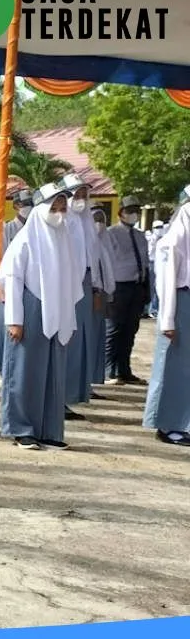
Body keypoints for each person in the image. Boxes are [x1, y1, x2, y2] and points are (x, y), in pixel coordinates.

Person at [0, 184, 81, 450]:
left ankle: (49, 430)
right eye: (53, 208)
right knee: (25, 371)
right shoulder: (25, 239)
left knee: (52, 373)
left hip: (57, 311)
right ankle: (22, 429)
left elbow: (71, 279)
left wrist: (68, 315)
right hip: (30, 308)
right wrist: (14, 319)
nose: (59, 213)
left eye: (62, 208)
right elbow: (11, 280)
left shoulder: (64, 238)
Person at [144, 183, 190, 447]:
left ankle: (182, 423)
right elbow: (166, 285)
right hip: (179, 303)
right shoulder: (173, 241)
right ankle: (166, 425)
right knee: (172, 368)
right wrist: (168, 320)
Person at [59, 175, 105, 419]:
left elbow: (93, 259)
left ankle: (71, 395)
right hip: (66, 287)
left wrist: (96, 288)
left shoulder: (87, 222)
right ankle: (58, 398)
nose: (80, 199)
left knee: (80, 343)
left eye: (84, 194)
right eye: (75, 194)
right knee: (66, 340)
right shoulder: (63, 221)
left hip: (85, 285)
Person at [105, 196, 150, 386]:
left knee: (130, 330)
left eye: (136, 211)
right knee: (114, 329)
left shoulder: (141, 236)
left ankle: (125, 370)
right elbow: (106, 262)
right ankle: (109, 371)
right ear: (120, 212)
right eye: (129, 211)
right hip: (118, 286)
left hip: (137, 286)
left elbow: (145, 263)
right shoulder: (110, 233)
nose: (133, 214)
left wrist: (147, 287)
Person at [0, 189, 35, 374]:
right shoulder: (6, 229)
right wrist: (2, 287)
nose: (29, 208)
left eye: (31, 204)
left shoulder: (37, 229)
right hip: (9, 285)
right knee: (9, 328)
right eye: (25, 204)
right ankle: (4, 368)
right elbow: (1, 259)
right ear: (16, 206)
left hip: (31, 288)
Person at [89, 204, 117, 388]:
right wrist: (96, 291)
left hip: (103, 294)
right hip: (92, 295)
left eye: (101, 220)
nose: (99, 224)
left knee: (98, 338)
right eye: (95, 220)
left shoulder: (104, 243)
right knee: (89, 339)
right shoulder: (88, 243)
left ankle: (93, 380)